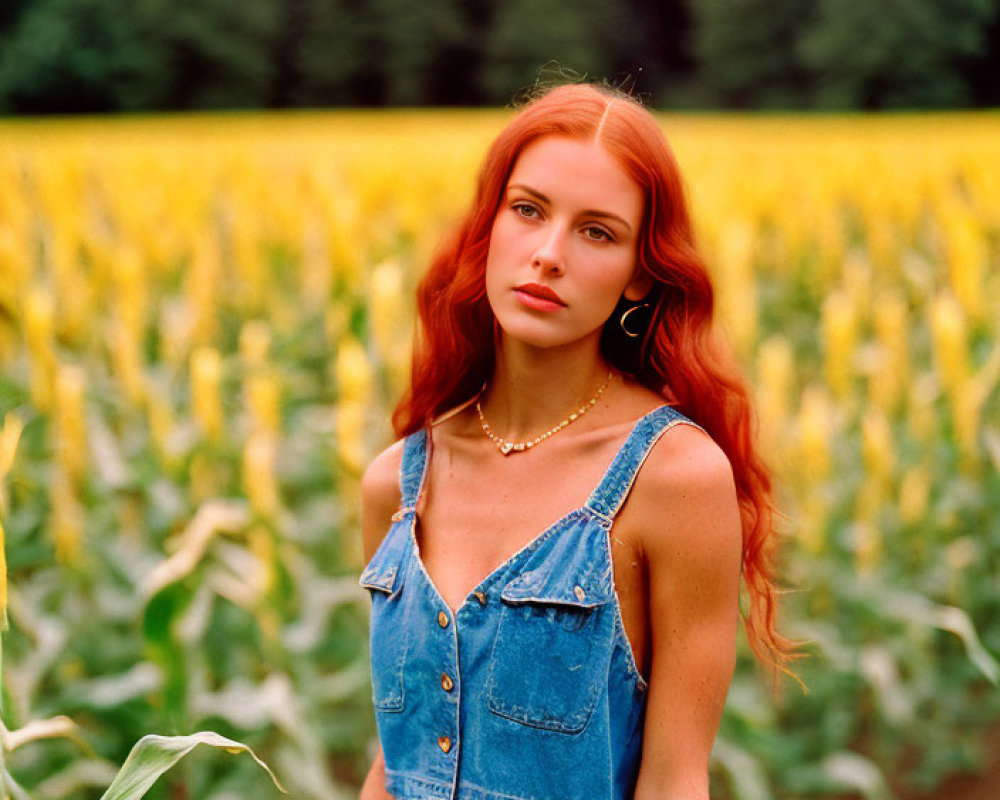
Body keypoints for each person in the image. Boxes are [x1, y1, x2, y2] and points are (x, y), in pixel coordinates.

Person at [357, 82, 795, 800]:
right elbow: (392, 762)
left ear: (639, 278)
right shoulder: (397, 485)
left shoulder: (673, 478)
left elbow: (674, 780)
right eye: (527, 211)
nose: (548, 254)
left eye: (598, 231)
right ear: (488, 228)